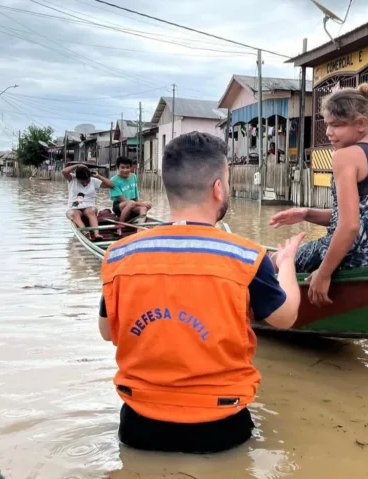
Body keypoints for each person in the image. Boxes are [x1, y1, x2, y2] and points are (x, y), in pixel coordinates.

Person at [98, 132, 304, 454]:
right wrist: (287, 264)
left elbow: (107, 332)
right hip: (220, 427)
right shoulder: (247, 257)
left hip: (139, 426)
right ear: (218, 189)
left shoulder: (120, 255)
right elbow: (286, 317)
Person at [269, 83, 368, 307]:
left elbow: (349, 226)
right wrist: (306, 213)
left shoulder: (345, 156)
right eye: (327, 125)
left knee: (271, 261)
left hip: (351, 256)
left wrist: (324, 274)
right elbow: (365, 216)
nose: (329, 132)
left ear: (361, 124)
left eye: (337, 125)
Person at [63, 163, 114, 241]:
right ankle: (85, 232)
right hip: (74, 208)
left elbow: (111, 185)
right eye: (82, 181)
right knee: (73, 213)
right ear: (78, 178)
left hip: (89, 208)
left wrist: (99, 176)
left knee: (92, 211)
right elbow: (64, 171)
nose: (85, 183)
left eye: (87, 180)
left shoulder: (94, 181)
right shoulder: (72, 179)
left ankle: (97, 234)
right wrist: (77, 165)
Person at [110, 157, 151, 235]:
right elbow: (123, 200)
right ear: (118, 168)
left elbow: (135, 196)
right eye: (122, 167)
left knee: (144, 207)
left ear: (131, 167)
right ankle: (120, 226)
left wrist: (143, 204)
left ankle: (140, 230)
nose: (125, 170)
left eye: (127, 167)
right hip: (120, 206)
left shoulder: (133, 176)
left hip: (133, 203)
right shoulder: (113, 180)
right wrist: (141, 203)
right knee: (131, 203)